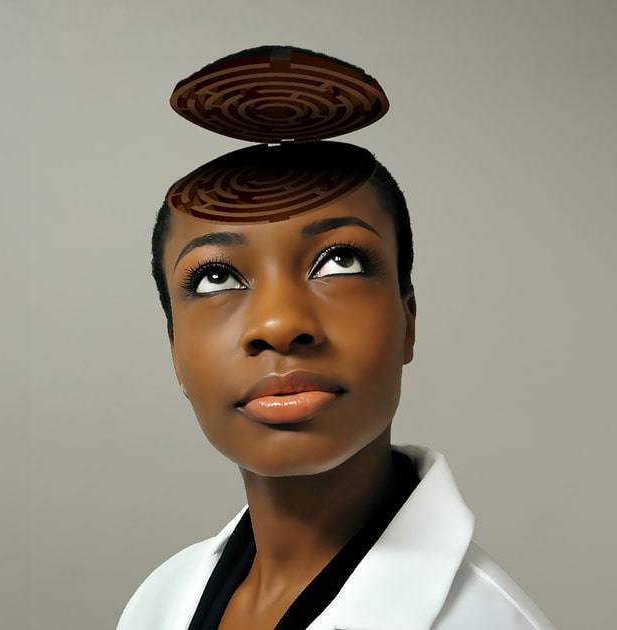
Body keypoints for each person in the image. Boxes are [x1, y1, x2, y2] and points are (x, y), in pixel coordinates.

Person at [115, 46, 557, 629]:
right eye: (216, 276)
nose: (279, 323)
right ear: (173, 348)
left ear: (409, 320)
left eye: (340, 262)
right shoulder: (159, 601)